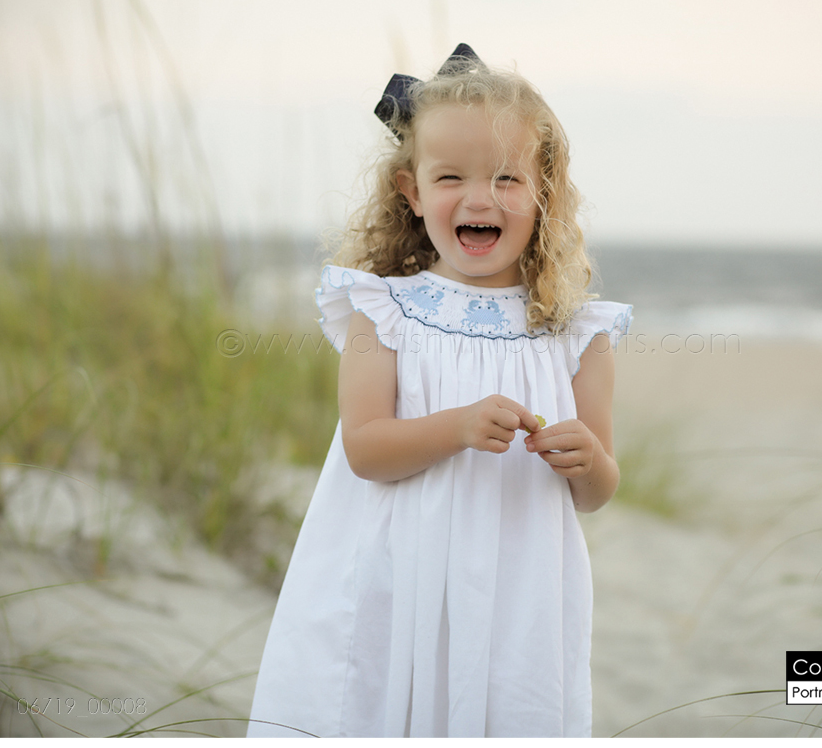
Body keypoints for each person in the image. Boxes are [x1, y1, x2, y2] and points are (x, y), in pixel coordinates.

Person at [246, 44, 632, 738]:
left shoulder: (576, 333)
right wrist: (455, 428)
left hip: (519, 592)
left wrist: (589, 461)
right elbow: (366, 449)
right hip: (398, 576)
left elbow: (597, 490)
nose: (480, 198)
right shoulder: (381, 309)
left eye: (507, 178)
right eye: (450, 176)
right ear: (412, 191)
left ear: (543, 192)